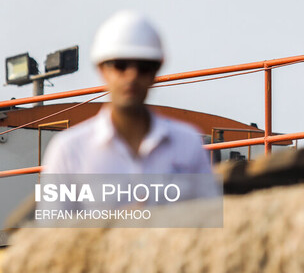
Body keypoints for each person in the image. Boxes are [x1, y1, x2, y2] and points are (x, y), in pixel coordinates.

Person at [42, 11, 214, 175]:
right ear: (102, 70)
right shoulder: (70, 151)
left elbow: (206, 206)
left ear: (156, 71)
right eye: (120, 65)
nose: (132, 76)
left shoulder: (188, 146)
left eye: (144, 67)